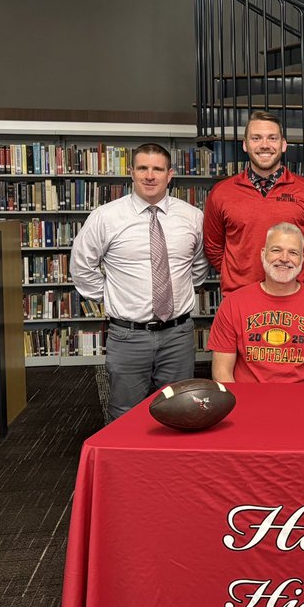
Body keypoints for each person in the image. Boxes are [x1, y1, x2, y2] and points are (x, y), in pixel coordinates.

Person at [70, 142, 209, 421]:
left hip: (178, 335)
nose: (150, 175)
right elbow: (82, 268)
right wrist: (112, 297)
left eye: (157, 169)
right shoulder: (105, 218)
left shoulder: (193, 217)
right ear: (131, 172)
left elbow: (199, 266)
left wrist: (177, 293)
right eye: (143, 168)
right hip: (128, 336)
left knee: (181, 410)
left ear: (170, 174)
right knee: (125, 413)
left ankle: (172, 466)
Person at [203, 111, 304, 294]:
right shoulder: (221, 193)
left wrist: (292, 276)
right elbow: (214, 248)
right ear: (245, 145)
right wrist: (239, 275)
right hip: (240, 297)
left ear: (283, 144)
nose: (264, 145)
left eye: (272, 138)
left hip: (295, 296)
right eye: (256, 138)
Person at [209, 222, 304, 383]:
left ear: (303, 258)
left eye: (293, 252)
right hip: (247, 402)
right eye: (276, 250)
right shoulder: (233, 304)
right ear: (263, 254)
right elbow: (221, 373)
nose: (284, 259)